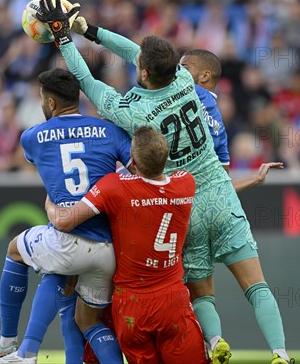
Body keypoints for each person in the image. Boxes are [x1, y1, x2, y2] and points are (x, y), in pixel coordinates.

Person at [38, 0, 294, 364]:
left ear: (142, 72)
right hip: (220, 195)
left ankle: (216, 340)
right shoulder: (186, 83)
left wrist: (66, 36)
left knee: (203, 293)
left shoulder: (132, 111)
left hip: (183, 203)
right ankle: (281, 353)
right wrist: (88, 28)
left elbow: (85, 79)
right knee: (256, 285)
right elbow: (136, 52)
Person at [0, 69, 129, 364]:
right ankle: (28, 352)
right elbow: (135, 168)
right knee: (88, 320)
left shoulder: (32, 137)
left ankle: (11, 342)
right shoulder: (110, 131)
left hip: (67, 237)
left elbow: (49, 165)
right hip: (107, 249)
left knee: (15, 250)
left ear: (50, 103)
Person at [46, 126, 209, 364]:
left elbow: (64, 222)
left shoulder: (115, 187)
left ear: (132, 160)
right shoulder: (186, 183)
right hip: (173, 301)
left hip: (132, 308)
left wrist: (50, 202)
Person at [180, 49, 284, 191]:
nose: (178, 71)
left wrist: (255, 178)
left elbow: (222, 187)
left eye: (184, 67)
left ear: (204, 76)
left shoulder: (219, 129)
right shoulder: (187, 96)